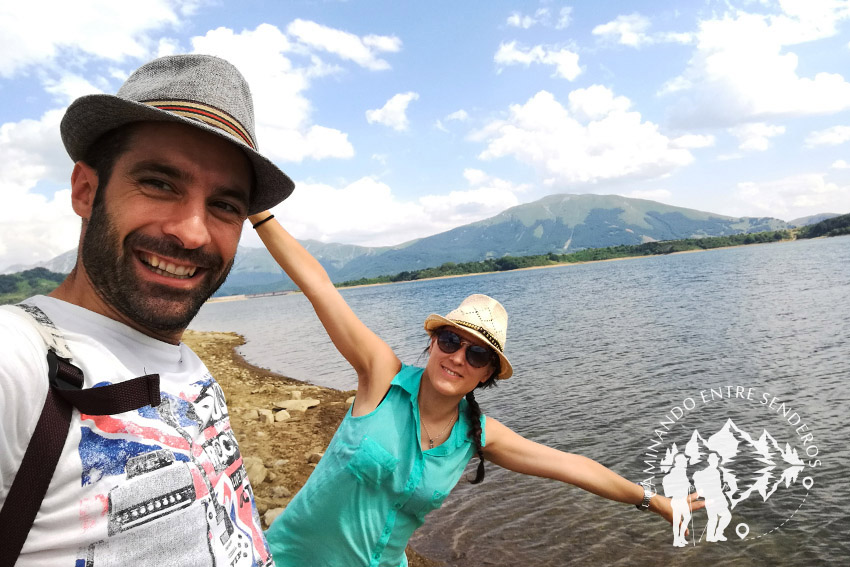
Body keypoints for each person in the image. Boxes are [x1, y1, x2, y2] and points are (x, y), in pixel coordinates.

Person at [247, 212, 705, 567]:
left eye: (477, 355)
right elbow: (319, 286)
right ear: (431, 342)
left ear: (487, 374)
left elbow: (573, 467)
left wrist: (654, 502)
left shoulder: (476, 434)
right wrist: (259, 211)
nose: (458, 358)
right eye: (450, 341)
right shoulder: (381, 377)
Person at [0, 54, 295, 566]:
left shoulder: (187, 364)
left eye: (225, 205)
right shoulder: (16, 361)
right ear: (86, 191)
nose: (192, 232)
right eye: (160, 183)